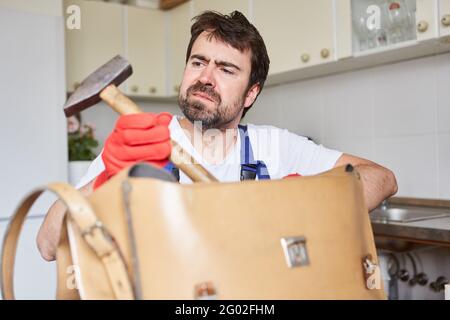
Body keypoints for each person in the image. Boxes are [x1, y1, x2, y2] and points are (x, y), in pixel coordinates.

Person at [37, 10, 397, 261]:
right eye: (198, 62)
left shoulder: (274, 147)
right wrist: (104, 183)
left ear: (251, 93)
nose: (205, 77)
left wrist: (296, 202)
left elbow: (382, 179)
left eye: (226, 68)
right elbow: (48, 244)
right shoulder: (140, 144)